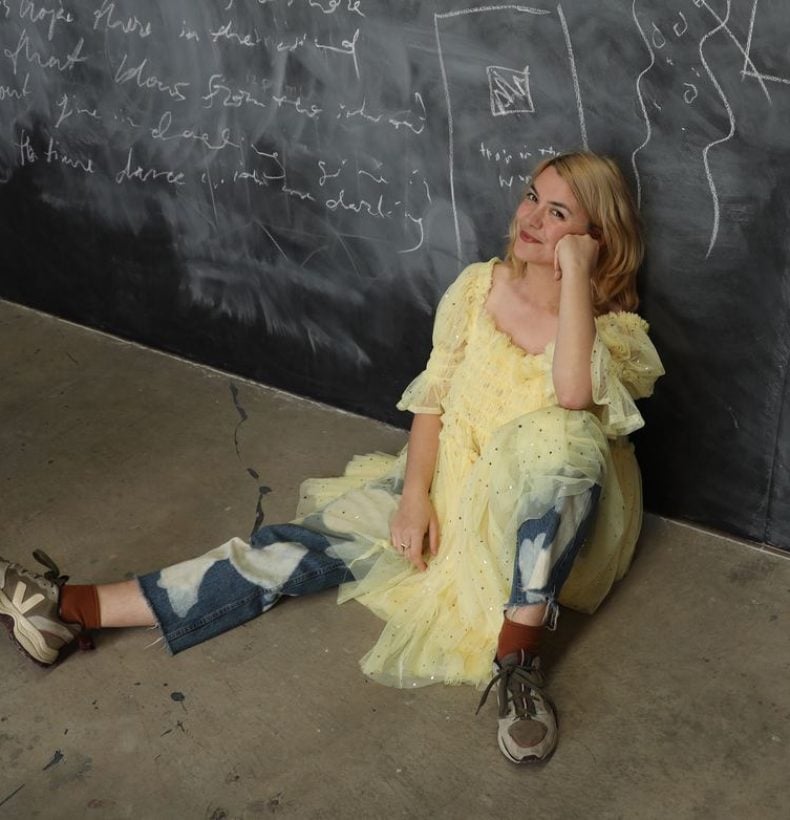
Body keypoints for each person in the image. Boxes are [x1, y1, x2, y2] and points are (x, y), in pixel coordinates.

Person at [0, 151, 664, 764]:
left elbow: (574, 395)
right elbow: (433, 403)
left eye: (559, 213)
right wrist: (412, 497)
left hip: (539, 535)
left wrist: (575, 271)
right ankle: (73, 609)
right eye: (530, 197)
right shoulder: (479, 287)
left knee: (565, 435)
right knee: (288, 550)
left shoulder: (611, 334)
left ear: (594, 236)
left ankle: (519, 661)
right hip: (446, 481)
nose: (533, 219)